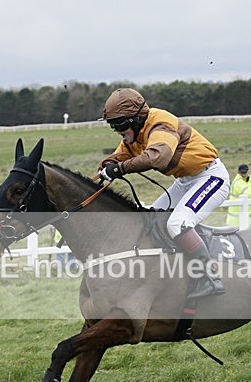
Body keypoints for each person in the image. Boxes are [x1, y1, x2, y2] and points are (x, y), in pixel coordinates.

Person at [98, 88, 230, 300]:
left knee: (177, 224)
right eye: (113, 125)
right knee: (148, 222)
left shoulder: (160, 123)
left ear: (136, 119)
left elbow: (157, 157)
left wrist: (120, 169)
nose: (116, 130)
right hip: (185, 181)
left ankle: (210, 278)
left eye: (120, 124)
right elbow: (119, 156)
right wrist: (107, 165)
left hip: (211, 177)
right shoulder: (136, 134)